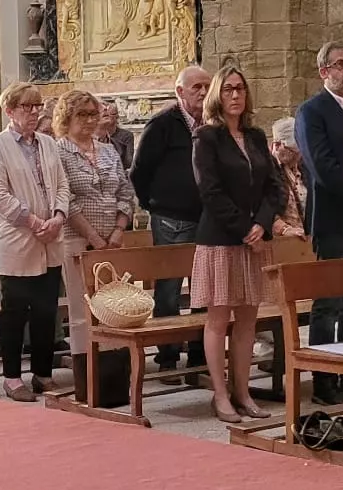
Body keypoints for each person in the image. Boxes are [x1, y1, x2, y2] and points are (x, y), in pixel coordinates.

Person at [191, 62, 285, 424]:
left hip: (255, 240)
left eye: (240, 89)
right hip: (220, 239)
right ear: (217, 94)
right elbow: (209, 191)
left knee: (248, 320)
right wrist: (245, 227)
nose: (235, 95)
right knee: (219, 318)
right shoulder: (206, 137)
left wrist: (262, 224)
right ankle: (220, 395)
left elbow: (274, 186)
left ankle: (243, 391)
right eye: (228, 89)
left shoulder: (257, 137)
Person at [0, 83, 70, 402]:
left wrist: (58, 217)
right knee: (15, 311)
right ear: (9, 111)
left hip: (51, 238)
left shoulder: (48, 143)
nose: (35, 113)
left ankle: (43, 374)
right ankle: (11, 377)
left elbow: (62, 184)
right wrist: (34, 222)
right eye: (27, 107)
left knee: (46, 311)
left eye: (38, 107)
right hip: (17, 239)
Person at [55, 89, 136, 404]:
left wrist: (118, 229)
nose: (90, 121)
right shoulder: (59, 152)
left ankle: (116, 385)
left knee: (115, 310)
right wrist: (93, 237)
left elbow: (125, 190)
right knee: (82, 310)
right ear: (67, 118)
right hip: (78, 240)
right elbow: (66, 199)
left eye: (93, 114)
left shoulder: (107, 151)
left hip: (113, 242)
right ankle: (89, 386)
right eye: (83, 115)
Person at [297, 40, 343, 405]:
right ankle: (324, 379)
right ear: (324, 71)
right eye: (340, 64)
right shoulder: (313, 111)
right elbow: (323, 167)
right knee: (329, 302)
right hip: (335, 217)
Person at [132, 64, 212, 371]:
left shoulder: (211, 122)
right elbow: (140, 170)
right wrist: (153, 205)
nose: (204, 92)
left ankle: (199, 356)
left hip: (206, 219)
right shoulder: (163, 123)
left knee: (203, 288)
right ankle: (167, 358)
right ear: (180, 91)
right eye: (197, 87)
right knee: (169, 289)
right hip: (170, 219)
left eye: (207, 86)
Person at [268, 118, 308, 238]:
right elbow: (262, 207)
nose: (297, 156)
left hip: (306, 239)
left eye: (299, 152)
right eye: (293, 151)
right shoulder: (266, 169)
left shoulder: (304, 167)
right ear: (277, 144)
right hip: (281, 241)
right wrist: (284, 229)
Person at [99, 99, 134, 170]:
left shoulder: (124, 138)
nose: (107, 116)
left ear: (117, 116)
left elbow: (128, 162)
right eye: (105, 115)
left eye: (109, 114)